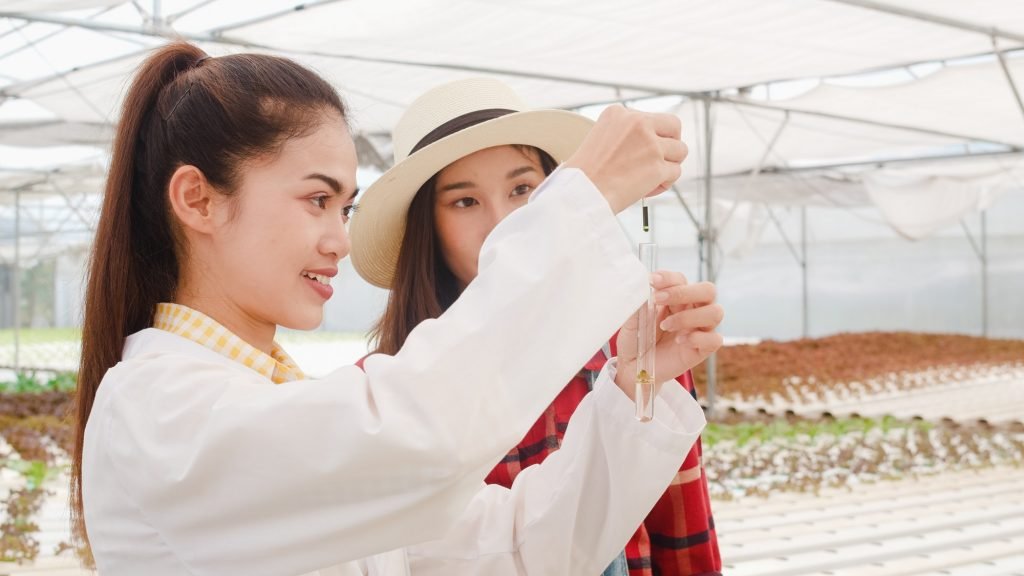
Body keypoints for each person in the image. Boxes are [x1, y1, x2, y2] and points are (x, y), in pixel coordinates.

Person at [73, 42, 710, 576]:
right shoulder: (156, 412)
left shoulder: (264, 400)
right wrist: (577, 203)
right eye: (316, 200)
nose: (340, 241)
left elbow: (521, 545)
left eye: (344, 208)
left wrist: (634, 386)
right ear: (199, 200)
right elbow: (418, 430)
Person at [351, 78, 723, 576]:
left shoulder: (632, 349)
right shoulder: (384, 393)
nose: (502, 221)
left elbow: (682, 531)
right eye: (465, 201)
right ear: (427, 226)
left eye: (523, 189)